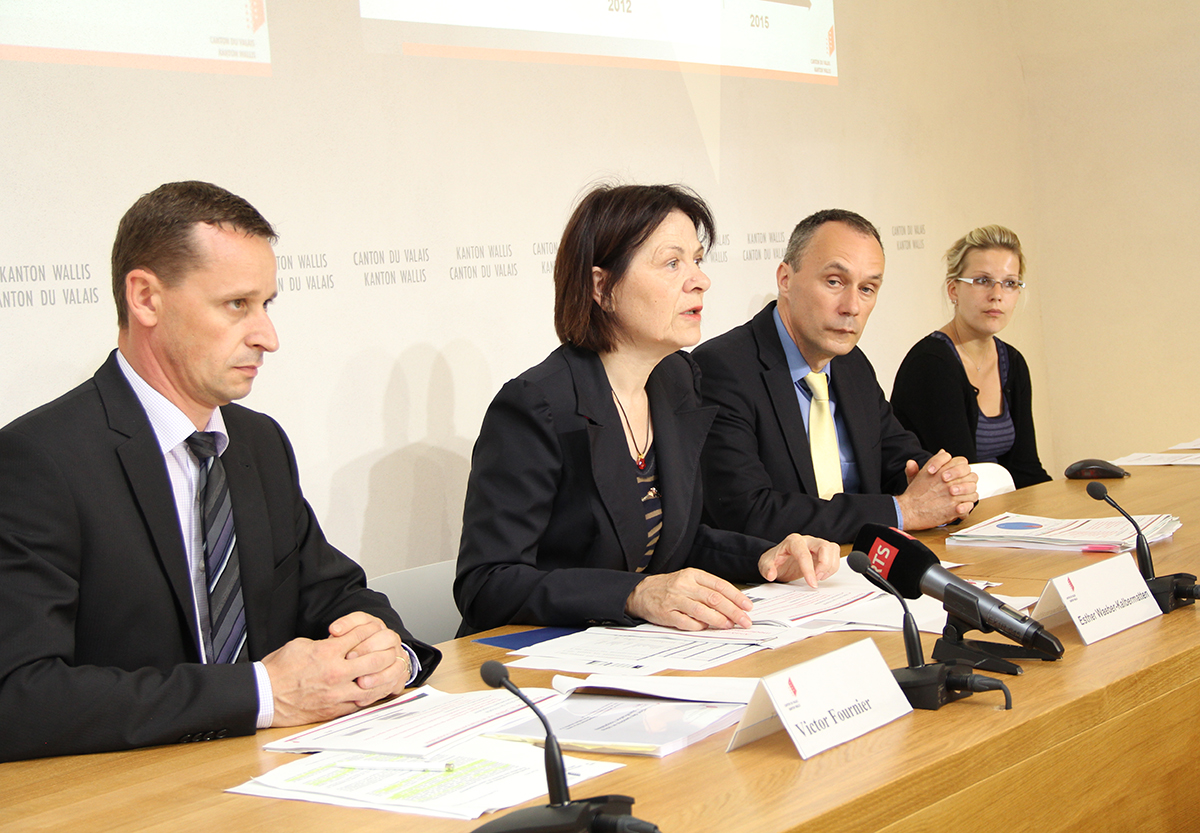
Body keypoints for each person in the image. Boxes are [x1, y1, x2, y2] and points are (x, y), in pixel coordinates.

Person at [0, 181, 440, 763]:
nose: (268, 338)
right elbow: (19, 695)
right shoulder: (38, 461)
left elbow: (333, 593)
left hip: (270, 771)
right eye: (237, 305)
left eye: (267, 305)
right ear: (146, 298)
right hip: (132, 786)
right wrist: (262, 693)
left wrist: (389, 653)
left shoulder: (257, 441)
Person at [454, 184, 840, 636]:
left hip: (634, 650)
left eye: (697, 260)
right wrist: (633, 594)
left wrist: (764, 557)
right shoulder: (536, 405)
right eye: (672, 263)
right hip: (532, 656)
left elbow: (675, 542)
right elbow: (486, 584)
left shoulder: (676, 380)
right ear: (602, 287)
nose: (700, 280)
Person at [692, 209, 979, 545]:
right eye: (834, 282)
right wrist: (901, 511)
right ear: (785, 279)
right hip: (775, 573)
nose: (852, 307)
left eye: (867, 288)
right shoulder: (722, 368)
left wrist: (946, 484)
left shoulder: (851, 365)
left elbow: (901, 460)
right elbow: (748, 511)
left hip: (861, 563)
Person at [891, 225, 1050, 489]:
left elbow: (1026, 469)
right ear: (953, 289)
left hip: (997, 507)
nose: (997, 295)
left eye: (1009, 283)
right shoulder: (931, 364)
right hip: (951, 507)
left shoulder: (1013, 362)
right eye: (983, 281)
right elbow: (960, 481)